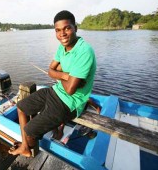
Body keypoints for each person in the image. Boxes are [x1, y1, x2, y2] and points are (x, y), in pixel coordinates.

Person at [8, 10, 96, 157]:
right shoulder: (62, 47)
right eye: (58, 30)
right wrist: (66, 75)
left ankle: (29, 146)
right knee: (21, 107)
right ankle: (25, 146)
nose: (62, 34)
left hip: (69, 104)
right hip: (55, 91)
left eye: (67, 28)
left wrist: (61, 75)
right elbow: (50, 70)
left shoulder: (84, 51)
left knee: (29, 130)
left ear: (76, 28)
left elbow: (69, 90)